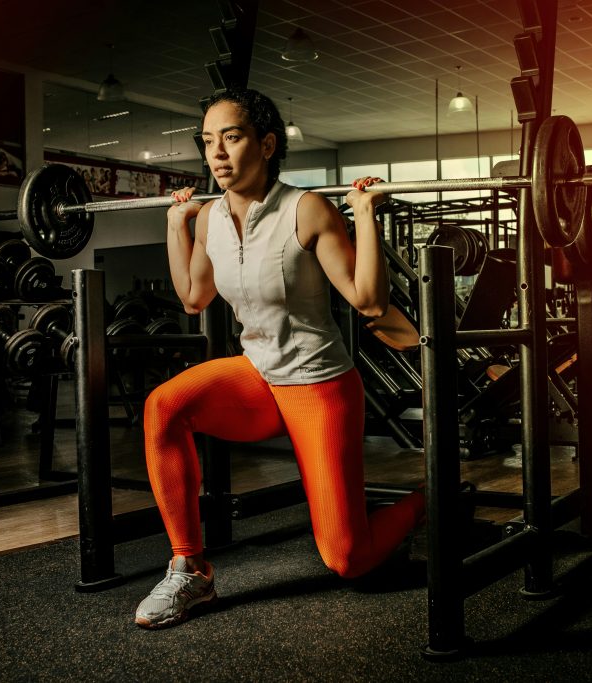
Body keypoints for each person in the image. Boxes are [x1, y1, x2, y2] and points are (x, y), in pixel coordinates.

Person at [135, 87, 426, 629]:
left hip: (318, 385)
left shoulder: (306, 208)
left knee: (347, 559)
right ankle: (189, 569)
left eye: (232, 137)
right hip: (257, 376)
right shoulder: (211, 219)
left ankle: (428, 502)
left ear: (267, 144)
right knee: (163, 406)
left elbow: (368, 301)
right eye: (207, 142)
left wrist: (365, 215)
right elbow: (194, 297)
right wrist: (176, 228)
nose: (216, 153)